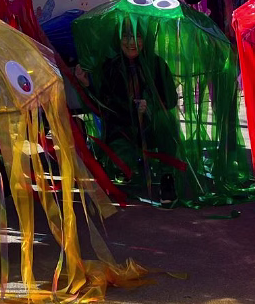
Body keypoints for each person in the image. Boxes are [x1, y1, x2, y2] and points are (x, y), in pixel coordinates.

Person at [74, 23, 179, 203]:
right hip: (122, 131)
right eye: (126, 36)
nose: (131, 42)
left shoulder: (157, 64)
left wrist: (150, 104)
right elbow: (102, 105)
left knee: (165, 119)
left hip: (150, 128)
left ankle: (167, 177)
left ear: (145, 39)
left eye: (137, 36)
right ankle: (127, 164)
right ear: (118, 39)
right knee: (123, 169)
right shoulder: (110, 66)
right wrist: (86, 85)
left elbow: (171, 100)